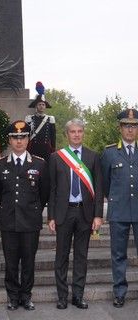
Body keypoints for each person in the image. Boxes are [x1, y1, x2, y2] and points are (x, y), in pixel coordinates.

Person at [47, 118, 103, 310]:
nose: (77, 134)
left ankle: (78, 296)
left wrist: (98, 215)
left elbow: (99, 188)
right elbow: (52, 190)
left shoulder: (93, 157)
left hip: (85, 214)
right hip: (64, 213)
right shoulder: (56, 157)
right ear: (66, 134)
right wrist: (51, 216)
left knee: (81, 256)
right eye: (73, 131)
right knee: (61, 256)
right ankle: (62, 296)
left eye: (80, 131)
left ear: (83, 133)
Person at [0, 120, 50, 311]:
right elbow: (0, 193)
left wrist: (32, 210)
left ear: (28, 140)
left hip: (30, 222)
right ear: (9, 140)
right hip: (9, 221)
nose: (19, 141)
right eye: (15, 138)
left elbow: (44, 194)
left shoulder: (40, 164)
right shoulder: (0, 165)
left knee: (28, 261)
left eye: (23, 137)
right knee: (10, 263)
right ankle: (12, 296)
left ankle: (26, 296)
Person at [101, 108, 138, 308]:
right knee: (118, 254)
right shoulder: (109, 153)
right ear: (120, 128)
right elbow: (105, 184)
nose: (130, 130)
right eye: (126, 126)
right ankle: (120, 292)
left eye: (133, 126)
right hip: (119, 210)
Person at [25, 81, 56, 162]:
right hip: (33, 148)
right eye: (39, 104)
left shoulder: (50, 119)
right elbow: (26, 135)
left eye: (43, 105)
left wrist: (53, 149)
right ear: (36, 106)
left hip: (46, 149)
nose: (41, 106)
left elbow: (53, 137)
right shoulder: (30, 118)